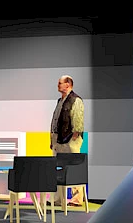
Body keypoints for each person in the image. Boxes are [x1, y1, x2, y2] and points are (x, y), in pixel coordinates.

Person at [49, 75, 84, 207]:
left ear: (68, 84)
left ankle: (77, 199)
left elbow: (78, 118)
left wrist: (74, 136)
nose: (58, 85)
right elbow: (55, 120)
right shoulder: (60, 100)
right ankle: (59, 199)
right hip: (58, 138)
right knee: (58, 168)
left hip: (70, 138)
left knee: (74, 167)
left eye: (60, 83)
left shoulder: (76, 99)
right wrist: (52, 139)